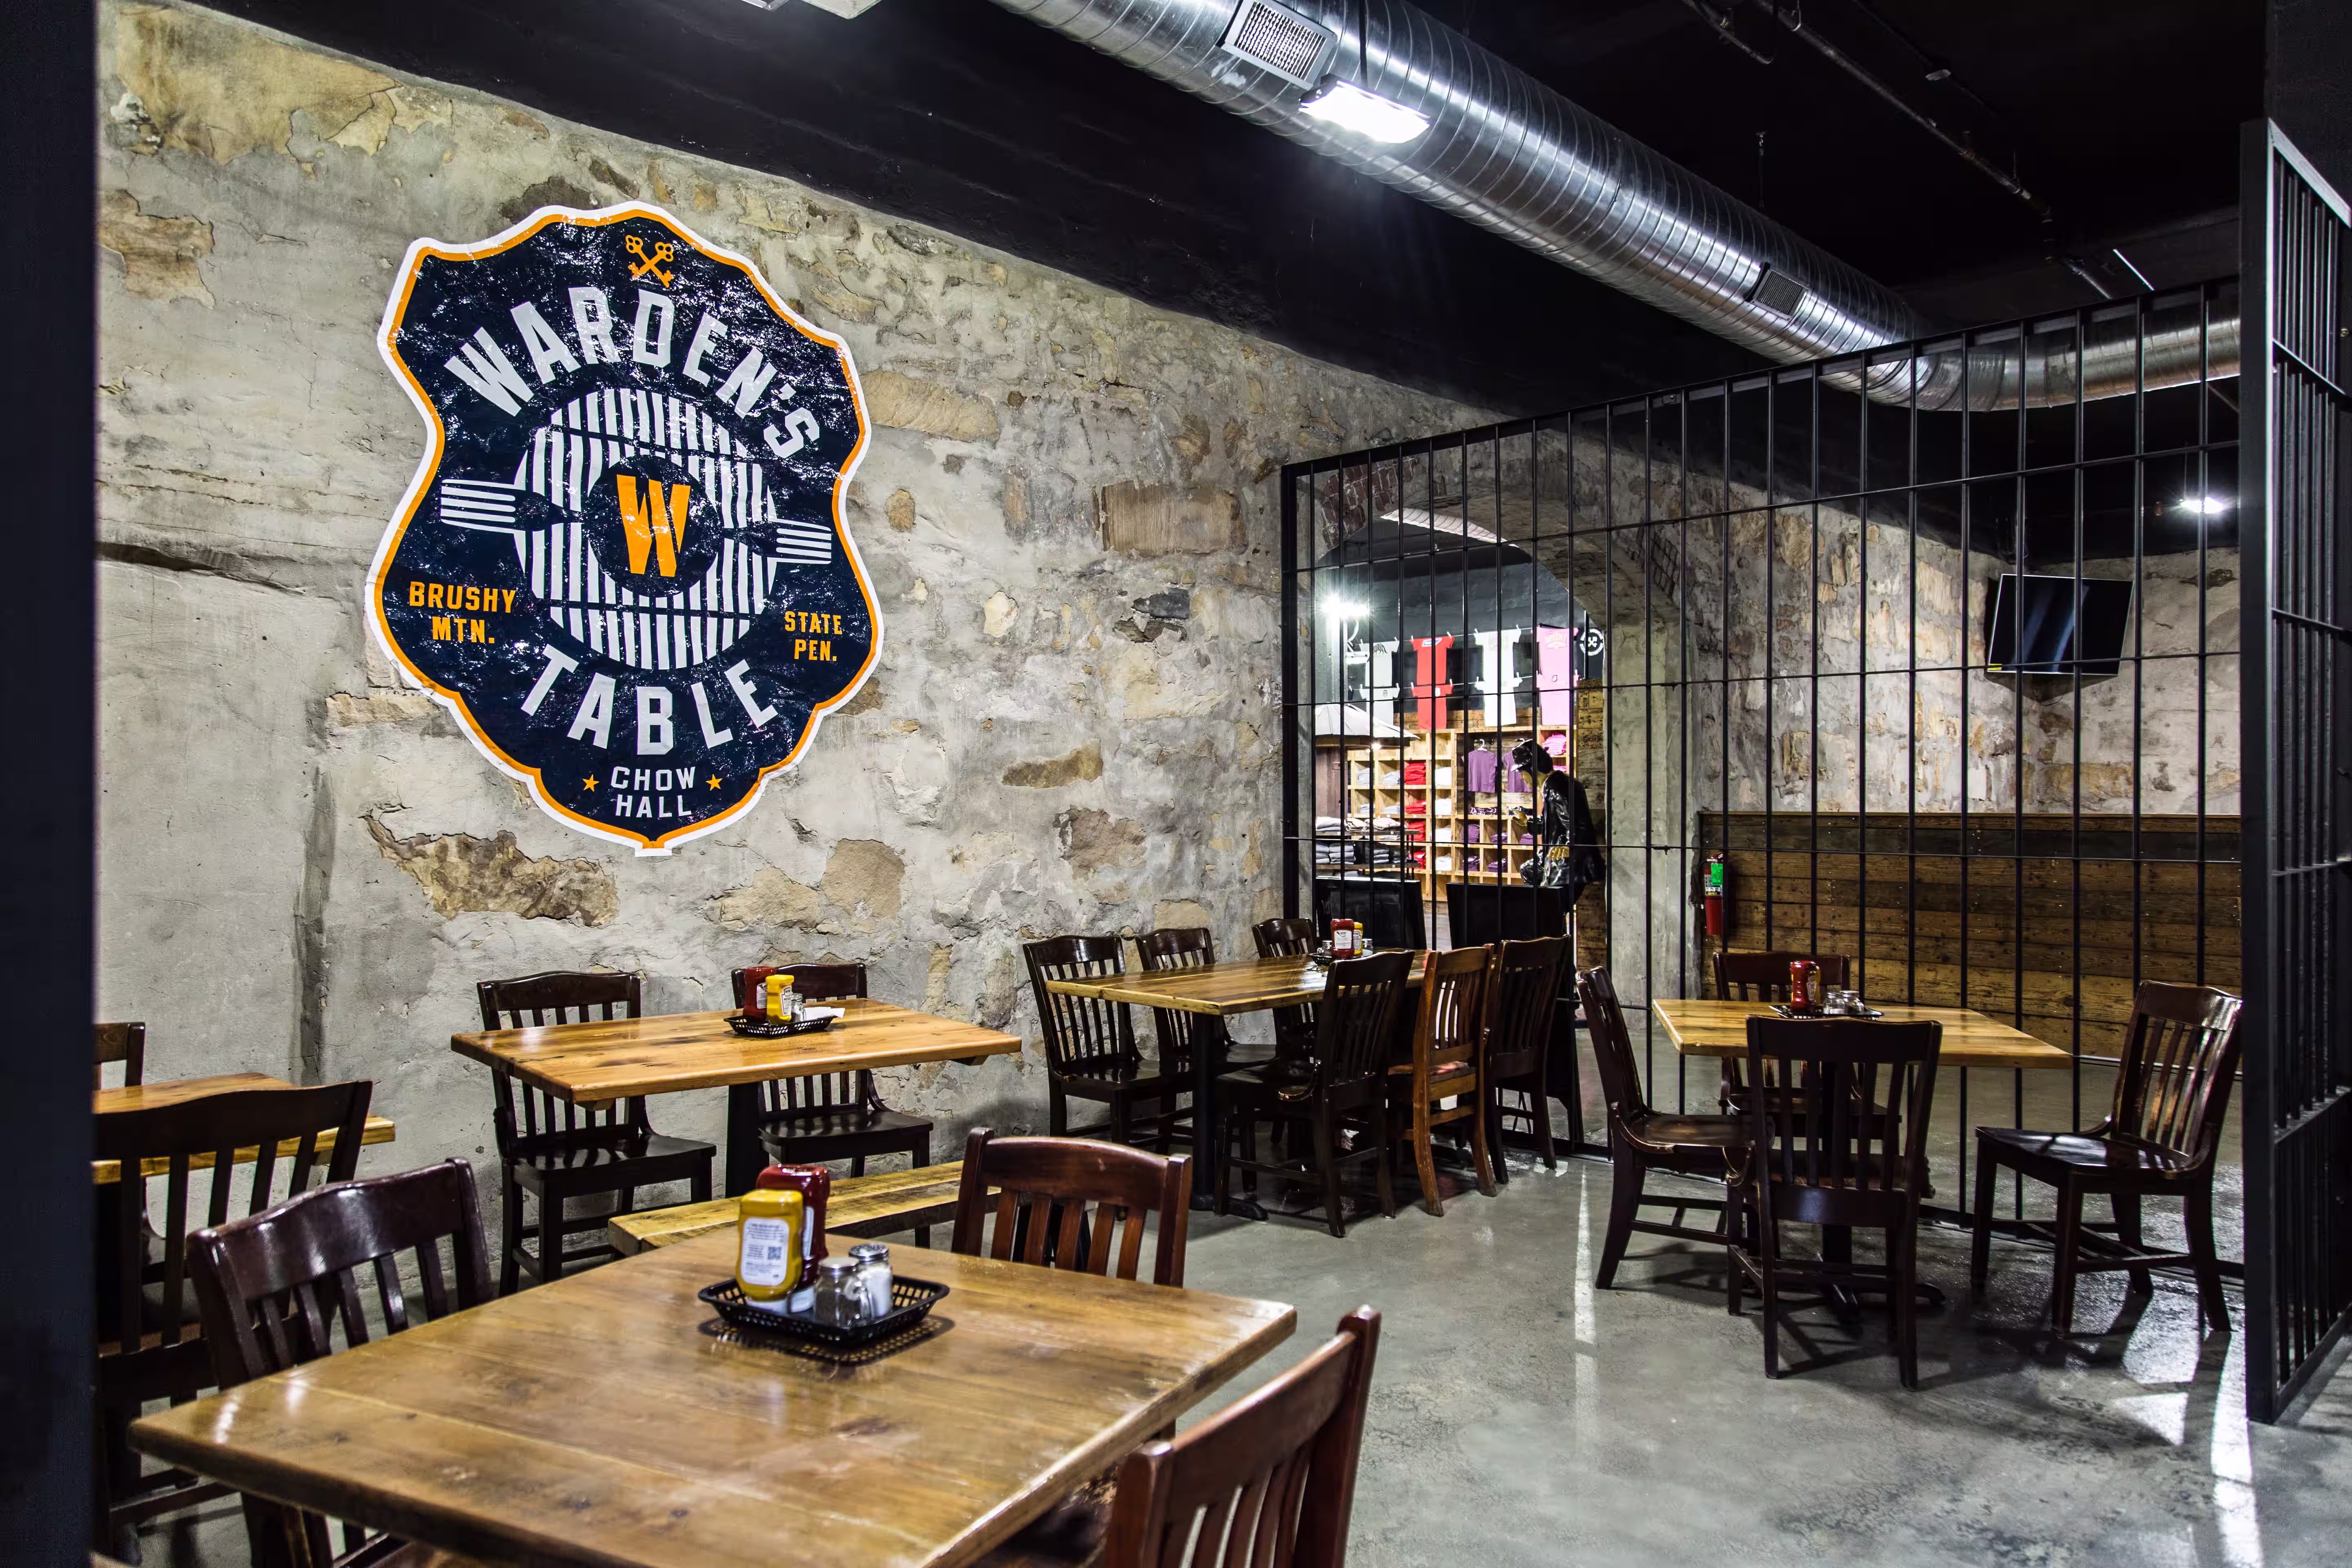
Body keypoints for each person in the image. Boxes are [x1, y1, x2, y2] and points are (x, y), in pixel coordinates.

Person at [1510, 736, 1604, 902]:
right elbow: (1555, 826)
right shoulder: (1557, 783)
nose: (1523, 778)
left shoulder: (1557, 787)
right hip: (1565, 856)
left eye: (1523, 773)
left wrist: (1569, 845)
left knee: (1550, 906)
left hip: (1568, 863)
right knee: (1529, 870)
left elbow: (1577, 825)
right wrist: (1528, 822)